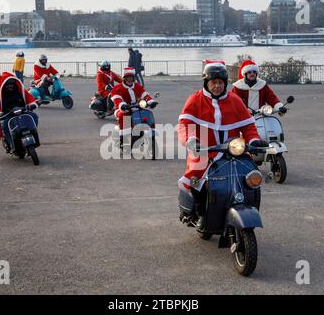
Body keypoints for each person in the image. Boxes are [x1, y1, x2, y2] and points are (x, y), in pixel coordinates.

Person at [177, 61, 267, 228]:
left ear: (225, 83)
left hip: (234, 150)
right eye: (214, 82)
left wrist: (254, 140)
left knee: (251, 175)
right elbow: (184, 125)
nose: (217, 86)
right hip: (204, 150)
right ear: (206, 82)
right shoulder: (195, 99)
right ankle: (198, 212)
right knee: (195, 179)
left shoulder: (235, 100)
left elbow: (248, 126)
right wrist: (191, 140)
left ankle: (248, 204)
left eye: (220, 82)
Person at [0, 72, 38, 143]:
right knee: (5, 125)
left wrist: (32, 104)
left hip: (22, 111)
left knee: (34, 116)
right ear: (4, 84)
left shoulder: (20, 90)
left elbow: (30, 98)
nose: (10, 86)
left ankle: (32, 135)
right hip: (8, 114)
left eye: (11, 84)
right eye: (8, 84)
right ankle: (11, 143)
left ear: (15, 83)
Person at [111, 67, 157, 140]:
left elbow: (144, 94)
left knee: (146, 113)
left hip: (136, 107)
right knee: (123, 115)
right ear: (124, 78)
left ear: (133, 78)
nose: (130, 80)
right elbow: (117, 99)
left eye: (131, 78)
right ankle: (123, 139)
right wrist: (122, 105)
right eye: (128, 78)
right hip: (123, 109)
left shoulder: (137, 86)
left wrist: (151, 101)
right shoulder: (118, 88)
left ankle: (148, 130)